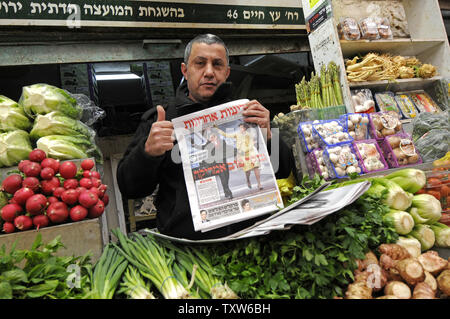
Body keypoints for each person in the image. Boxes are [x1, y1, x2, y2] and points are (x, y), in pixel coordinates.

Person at [117, 33, 297, 240]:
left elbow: (282, 170)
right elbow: (129, 188)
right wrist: (147, 153)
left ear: (227, 72)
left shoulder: (248, 114)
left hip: (251, 241)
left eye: (217, 65)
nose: (209, 72)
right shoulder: (161, 121)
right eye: (200, 63)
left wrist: (268, 136)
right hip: (190, 250)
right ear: (185, 70)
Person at [215, 122, 262, 190]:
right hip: (242, 154)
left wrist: (246, 150)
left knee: (256, 167)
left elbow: (251, 144)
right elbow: (226, 135)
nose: (240, 129)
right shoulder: (237, 134)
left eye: (241, 128)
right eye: (240, 128)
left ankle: (259, 184)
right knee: (247, 170)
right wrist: (217, 129)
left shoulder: (249, 134)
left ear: (245, 128)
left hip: (251, 152)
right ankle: (248, 180)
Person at [190, 129, 234, 200]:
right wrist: (193, 144)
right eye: (209, 137)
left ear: (215, 137)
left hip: (224, 163)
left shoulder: (222, 142)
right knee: (223, 179)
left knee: (226, 178)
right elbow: (201, 147)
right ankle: (229, 193)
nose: (209, 138)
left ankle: (226, 192)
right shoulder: (208, 144)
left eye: (210, 137)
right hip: (217, 165)